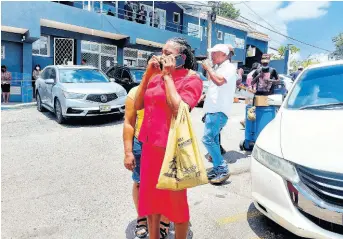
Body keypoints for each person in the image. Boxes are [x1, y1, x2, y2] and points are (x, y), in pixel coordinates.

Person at [134, 37, 203, 239]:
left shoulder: (192, 79)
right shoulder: (154, 76)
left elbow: (178, 109)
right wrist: (148, 74)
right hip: (149, 148)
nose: (160, 56)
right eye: (161, 51)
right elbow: (138, 104)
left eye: (167, 53)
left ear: (180, 58)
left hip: (171, 151)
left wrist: (167, 77)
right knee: (152, 202)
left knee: (176, 205)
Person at [123, 53, 170, 239]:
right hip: (141, 144)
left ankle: (165, 219)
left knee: (166, 185)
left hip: (164, 144)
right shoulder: (135, 92)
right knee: (140, 183)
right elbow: (128, 122)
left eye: (161, 64)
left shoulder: (170, 88)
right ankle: (142, 218)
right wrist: (128, 152)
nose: (158, 67)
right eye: (154, 64)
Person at [201, 44, 236, 184]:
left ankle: (222, 168)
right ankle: (217, 168)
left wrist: (208, 68)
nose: (212, 56)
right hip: (213, 110)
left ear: (223, 54)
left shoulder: (229, 68)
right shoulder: (220, 68)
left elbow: (220, 81)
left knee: (208, 139)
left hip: (218, 110)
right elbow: (213, 86)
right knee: (213, 140)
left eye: (214, 53)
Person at [240, 62, 260, 128]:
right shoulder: (257, 73)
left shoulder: (249, 74)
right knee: (254, 108)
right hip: (253, 93)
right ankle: (246, 122)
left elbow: (247, 84)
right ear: (257, 67)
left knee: (248, 107)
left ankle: (246, 121)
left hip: (247, 93)